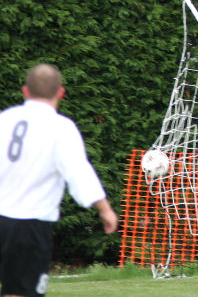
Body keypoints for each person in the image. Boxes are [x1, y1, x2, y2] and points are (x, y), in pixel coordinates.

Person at [0, 63, 118, 297]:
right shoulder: (60, 128)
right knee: (21, 292)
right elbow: (79, 172)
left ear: (25, 91)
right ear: (61, 92)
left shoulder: (5, 119)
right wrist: (105, 209)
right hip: (28, 223)